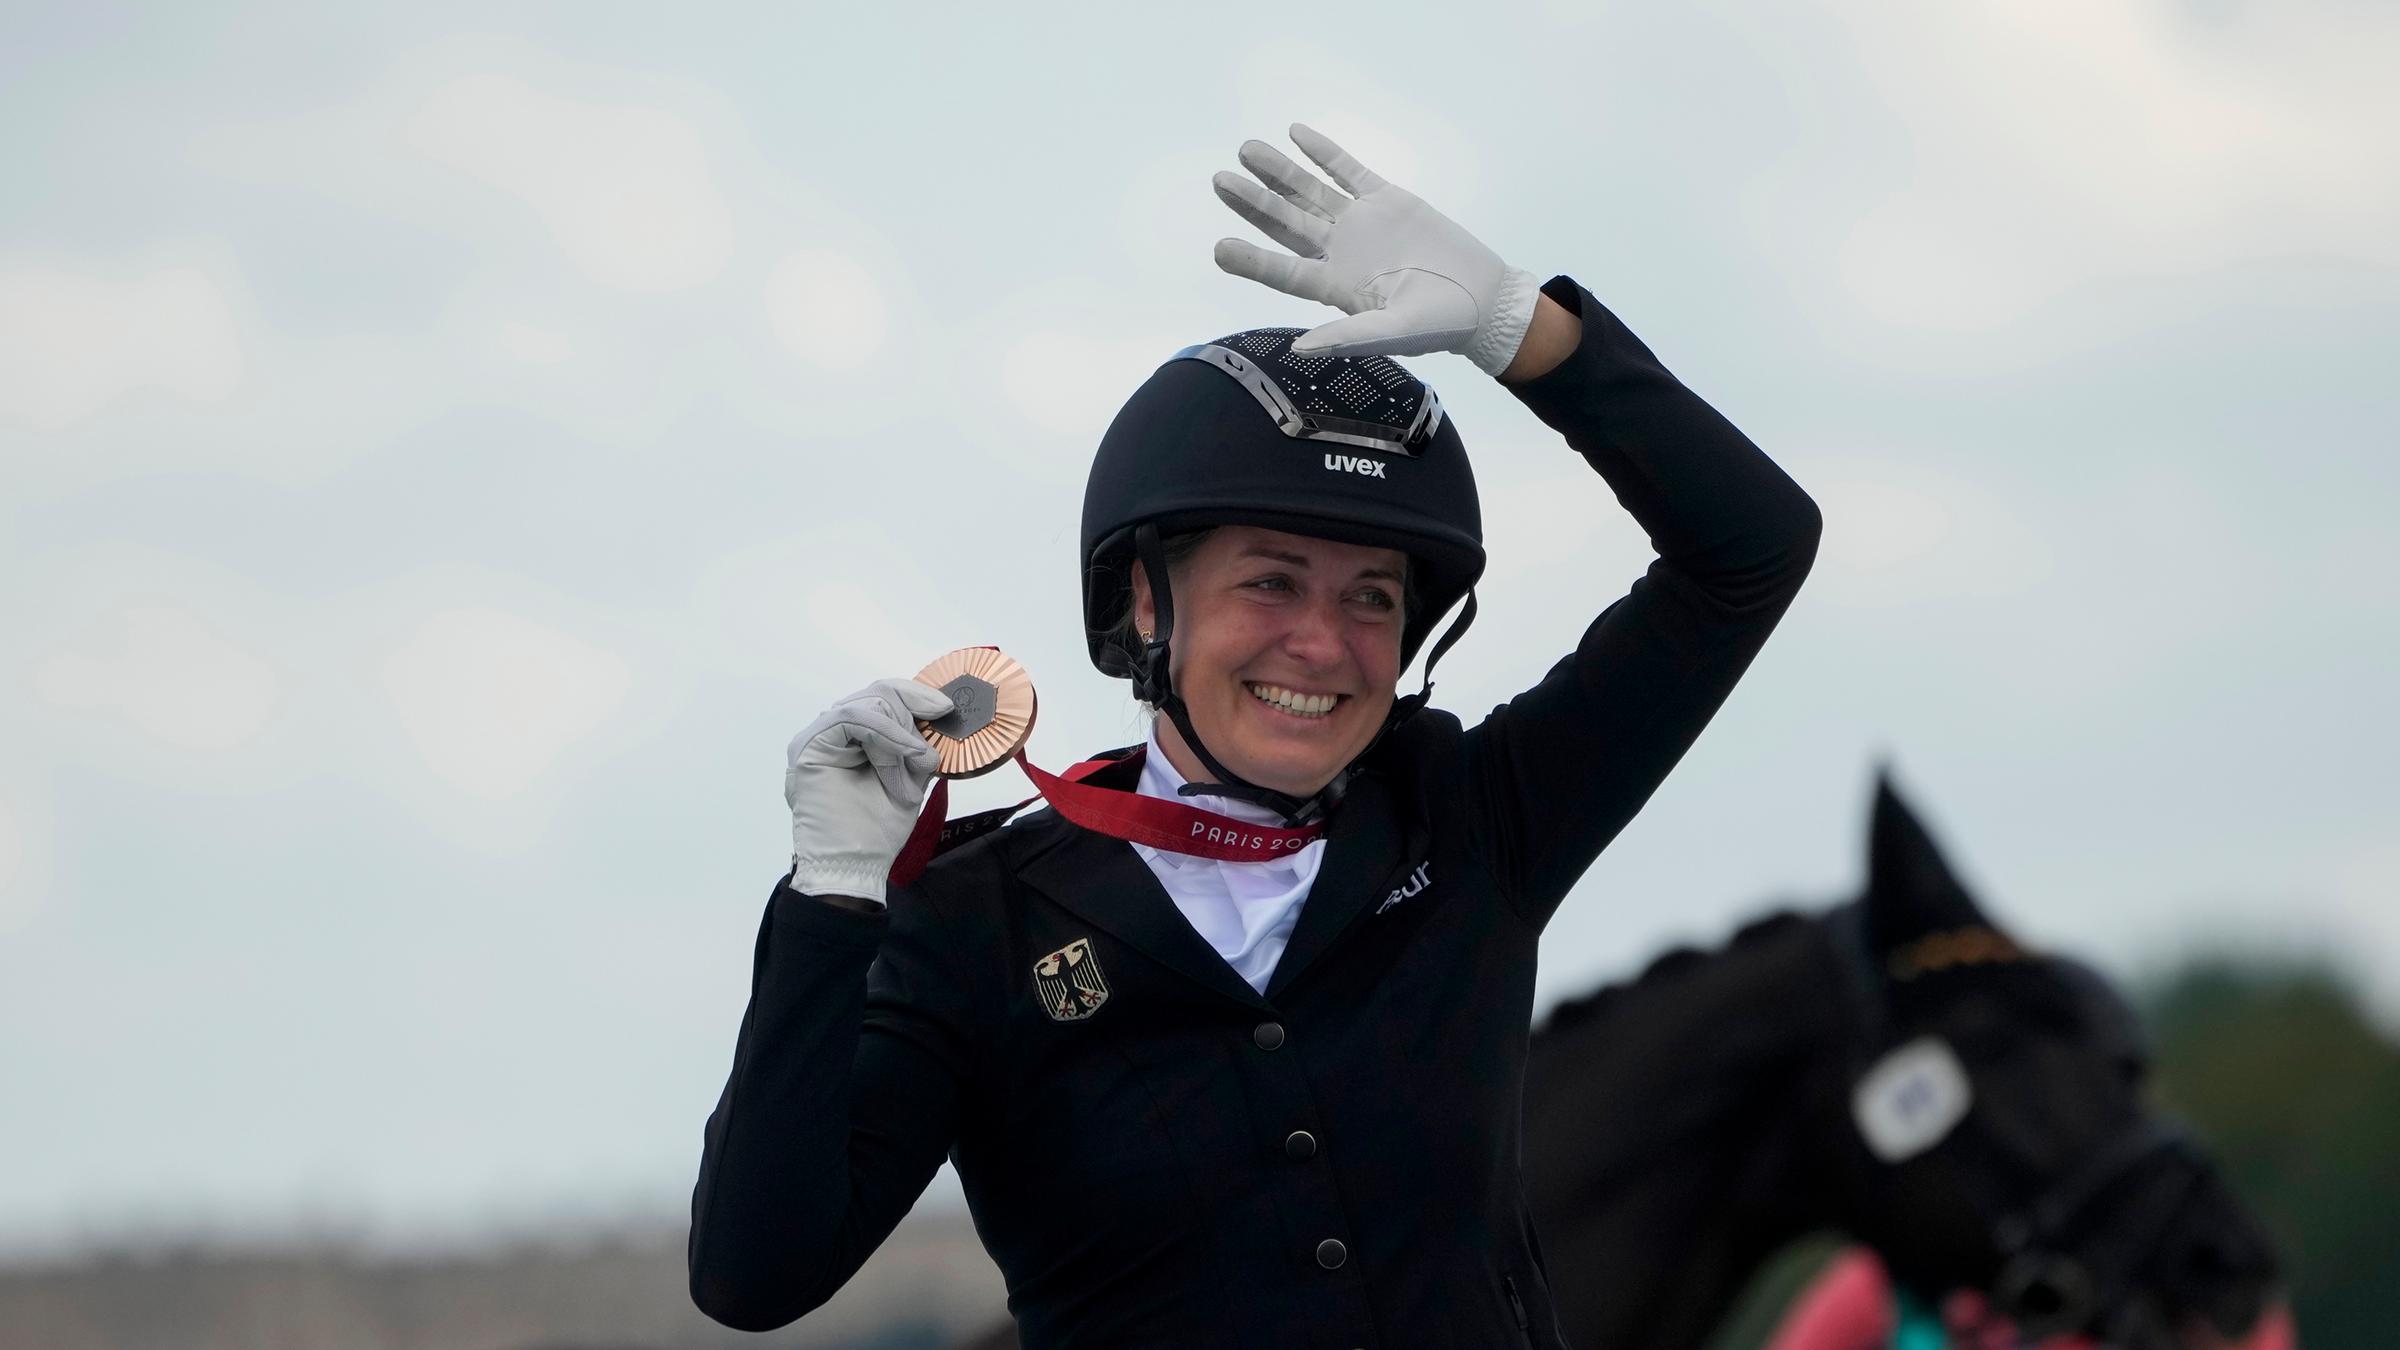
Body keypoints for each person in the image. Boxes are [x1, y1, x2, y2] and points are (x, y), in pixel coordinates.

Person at [687, 122, 1823, 1348]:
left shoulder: (1472, 818)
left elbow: (1751, 549)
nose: (1323, 645)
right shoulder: (977, 920)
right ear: (1146, 602)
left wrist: (1520, 329)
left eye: (1371, 599)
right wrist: (833, 902)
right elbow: (755, 1275)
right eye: (1271, 583)